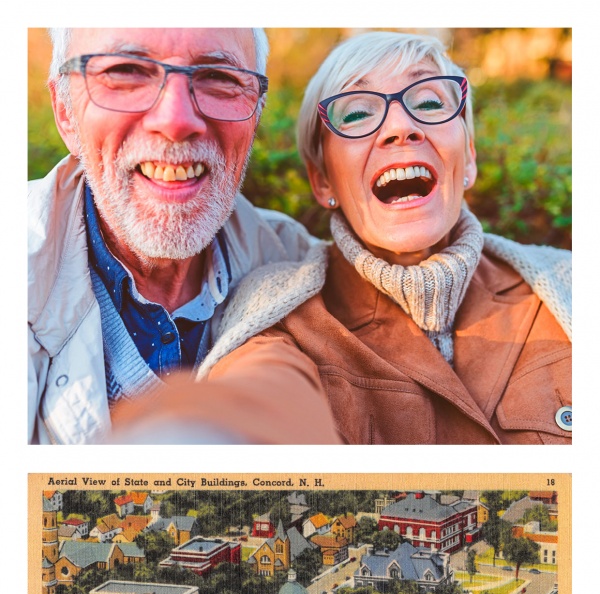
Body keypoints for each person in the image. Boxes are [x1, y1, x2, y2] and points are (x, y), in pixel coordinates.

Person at [195, 30, 571, 445]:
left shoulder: (569, 286)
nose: (401, 127)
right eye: (356, 114)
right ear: (322, 181)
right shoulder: (278, 318)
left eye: (429, 103)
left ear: (469, 158)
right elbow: (257, 402)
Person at [28, 27, 338, 444]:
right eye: (126, 72)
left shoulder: (299, 266)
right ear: (65, 111)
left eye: (219, 78)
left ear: (256, 112)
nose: (175, 121)